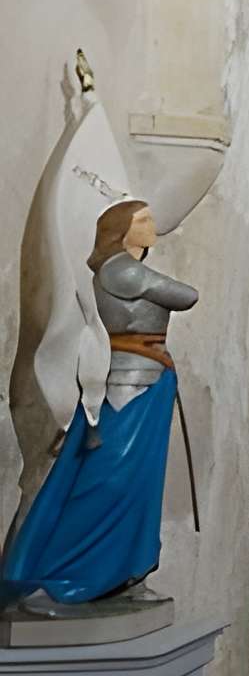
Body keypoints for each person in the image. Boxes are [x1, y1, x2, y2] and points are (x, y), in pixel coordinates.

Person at [0, 199, 197, 615]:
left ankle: (121, 575)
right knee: (111, 480)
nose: (152, 225)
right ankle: (61, 574)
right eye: (143, 220)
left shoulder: (124, 269)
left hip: (145, 384)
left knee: (137, 485)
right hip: (128, 387)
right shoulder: (123, 270)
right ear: (121, 230)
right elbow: (185, 296)